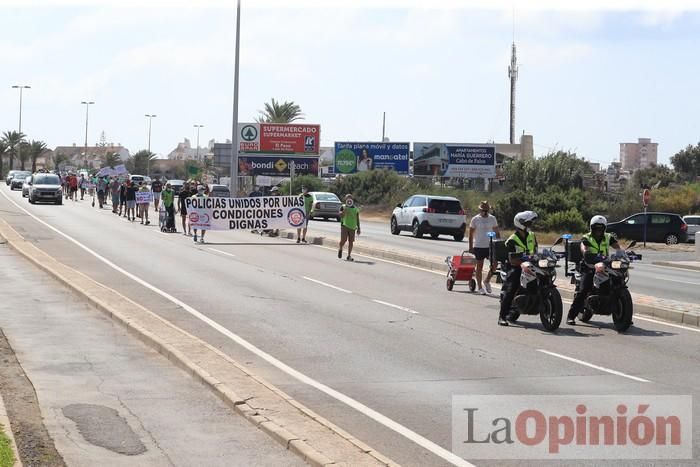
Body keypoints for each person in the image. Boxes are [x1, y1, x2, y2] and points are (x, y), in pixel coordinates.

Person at [566, 215, 621, 325]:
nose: (598, 231)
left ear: (604, 228)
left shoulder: (608, 237)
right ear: (592, 228)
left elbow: (617, 247)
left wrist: (622, 253)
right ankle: (571, 316)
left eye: (601, 228)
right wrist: (586, 253)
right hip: (589, 267)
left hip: (605, 266)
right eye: (596, 228)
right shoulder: (586, 237)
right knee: (584, 290)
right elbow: (584, 248)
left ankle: (623, 316)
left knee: (618, 282)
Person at [498, 211, 538, 327]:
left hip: (530, 265)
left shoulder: (531, 235)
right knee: (512, 288)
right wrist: (522, 262)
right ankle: (502, 316)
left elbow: (535, 250)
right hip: (515, 266)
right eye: (528, 223)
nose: (530, 225)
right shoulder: (512, 239)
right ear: (521, 223)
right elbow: (512, 259)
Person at [469, 201, 500, 295]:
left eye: (486, 210)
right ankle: (480, 287)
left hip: (490, 245)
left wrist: (499, 243)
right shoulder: (475, 219)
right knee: (479, 266)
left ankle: (486, 280)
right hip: (479, 245)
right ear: (480, 210)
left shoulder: (492, 219)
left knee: (495, 264)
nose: (485, 212)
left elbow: (496, 232)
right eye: (483, 210)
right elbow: (470, 234)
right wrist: (470, 247)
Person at [338, 194, 361, 261]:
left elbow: (357, 218)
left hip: (353, 227)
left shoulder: (355, 208)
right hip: (344, 225)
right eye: (347, 198)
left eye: (350, 198)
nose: (349, 199)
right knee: (343, 240)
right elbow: (341, 216)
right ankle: (340, 248)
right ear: (345, 199)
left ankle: (349, 255)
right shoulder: (343, 206)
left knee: (351, 241)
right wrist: (345, 210)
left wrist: (359, 228)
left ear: (352, 199)